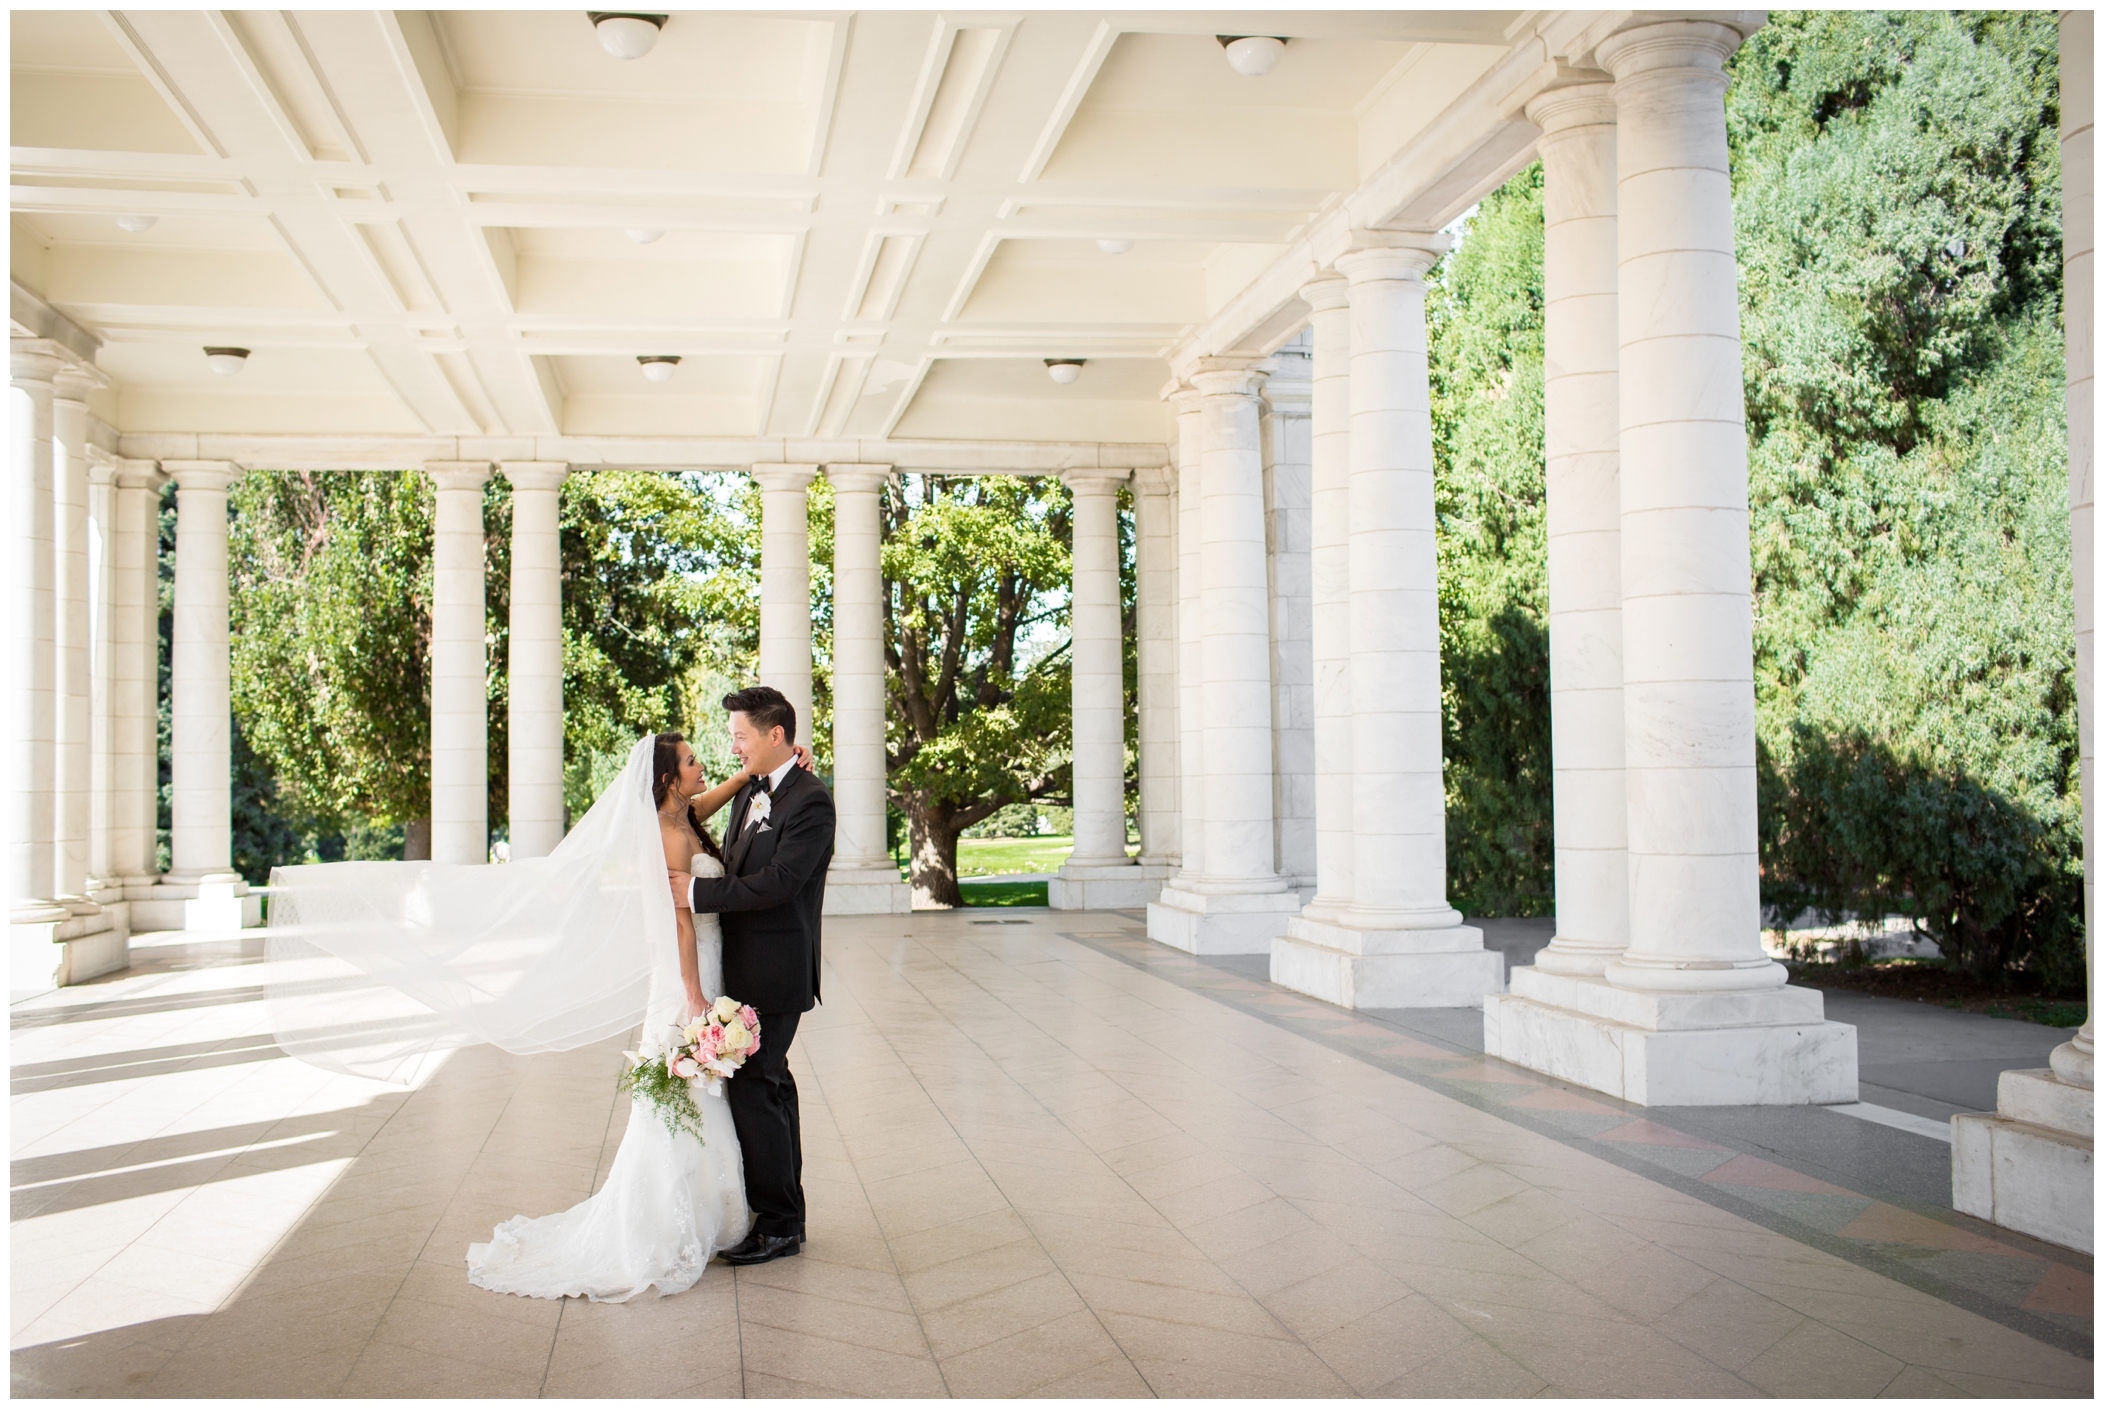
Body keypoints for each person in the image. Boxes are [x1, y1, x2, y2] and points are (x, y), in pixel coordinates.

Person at [263, 728, 811, 1302]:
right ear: (668, 779)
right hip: (689, 974)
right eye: (692, 761)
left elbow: (709, 800)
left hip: (711, 961)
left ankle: (724, 1208)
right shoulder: (670, 837)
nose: (704, 767)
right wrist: (695, 995)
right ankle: (673, 1217)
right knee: (685, 1092)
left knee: (706, 1090)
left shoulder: (684, 816)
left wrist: (756, 773)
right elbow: (678, 924)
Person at [681, 685, 835, 1268]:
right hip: (740, 970)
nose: (733, 745)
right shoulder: (754, 791)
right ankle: (784, 1216)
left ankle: (778, 1224)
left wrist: (693, 892)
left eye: (741, 735)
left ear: (776, 736)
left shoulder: (811, 801)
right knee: (770, 1085)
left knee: (755, 1087)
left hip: (776, 970)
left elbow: (779, 883)